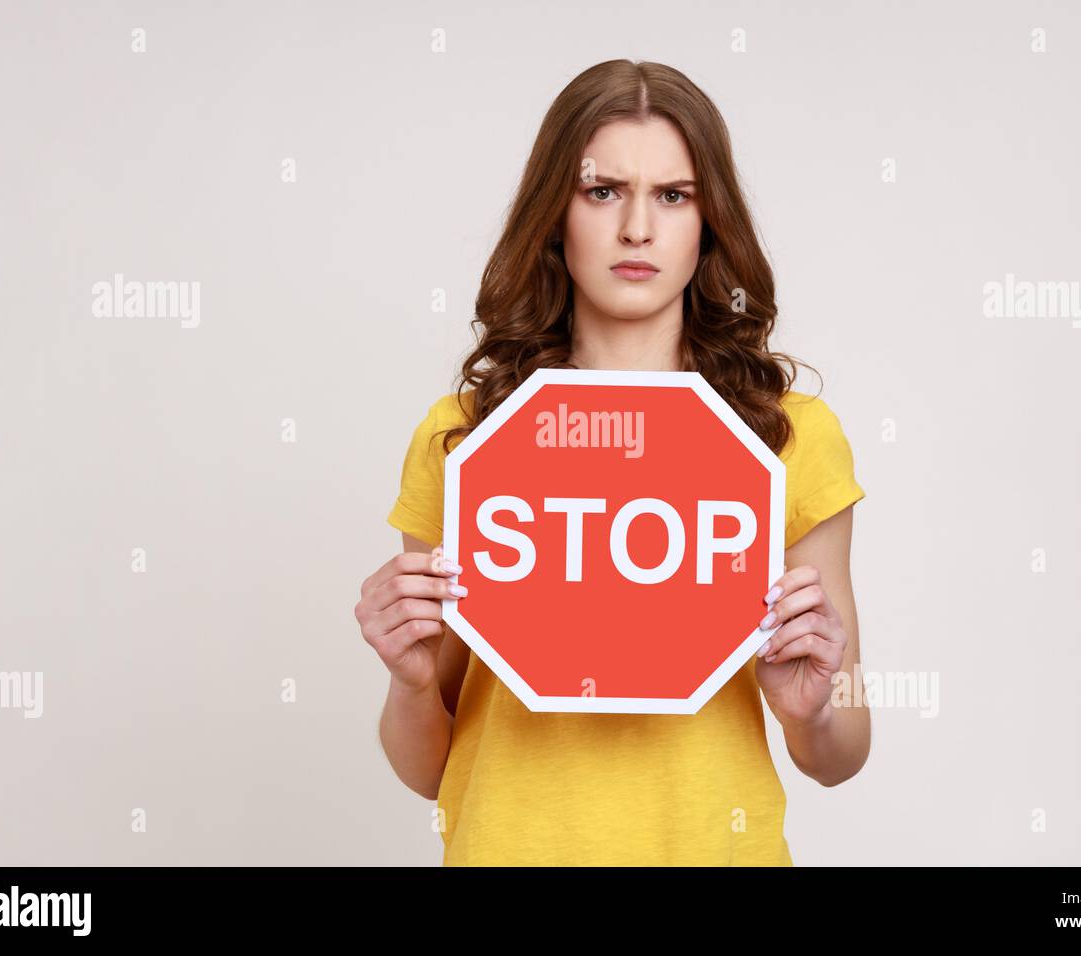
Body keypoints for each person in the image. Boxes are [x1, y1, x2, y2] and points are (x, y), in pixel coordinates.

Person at [354, 59, 870, 866]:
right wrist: (412, 681)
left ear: (710, 221)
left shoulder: (786, 436)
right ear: (555, 213)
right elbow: (426, 770)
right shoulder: (464, 438)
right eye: (602, 191)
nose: (638, 228)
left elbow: (842, 752)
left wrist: (812, 710)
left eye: (674, 194)